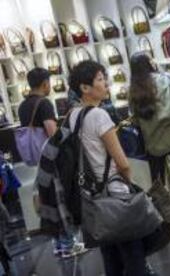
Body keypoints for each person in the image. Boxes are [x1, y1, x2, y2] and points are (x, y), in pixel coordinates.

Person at [68, 60, 149, 276]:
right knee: (134, 256)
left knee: (111, 257)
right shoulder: (99, 115)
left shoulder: (72, 115)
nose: (106, 84)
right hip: (115, 194)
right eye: (101, 80)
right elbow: (122, 162)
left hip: (94, 197)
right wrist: (129, 183)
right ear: (85, 88)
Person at [18, 68, 84, 258]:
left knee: (47, 200)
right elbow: (52, 133)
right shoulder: (44, 103)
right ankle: (68, 244)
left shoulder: (23, 106)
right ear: (45, 83)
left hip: (37, 161)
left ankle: (58, 244)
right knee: (59, 200)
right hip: (51, 158)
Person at [129, 54, 170, 238]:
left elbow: (135, 120)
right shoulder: (167, 78)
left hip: (152, 142)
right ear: (149, 64)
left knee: (158, 187)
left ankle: (166, 227)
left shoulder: (133, 90)